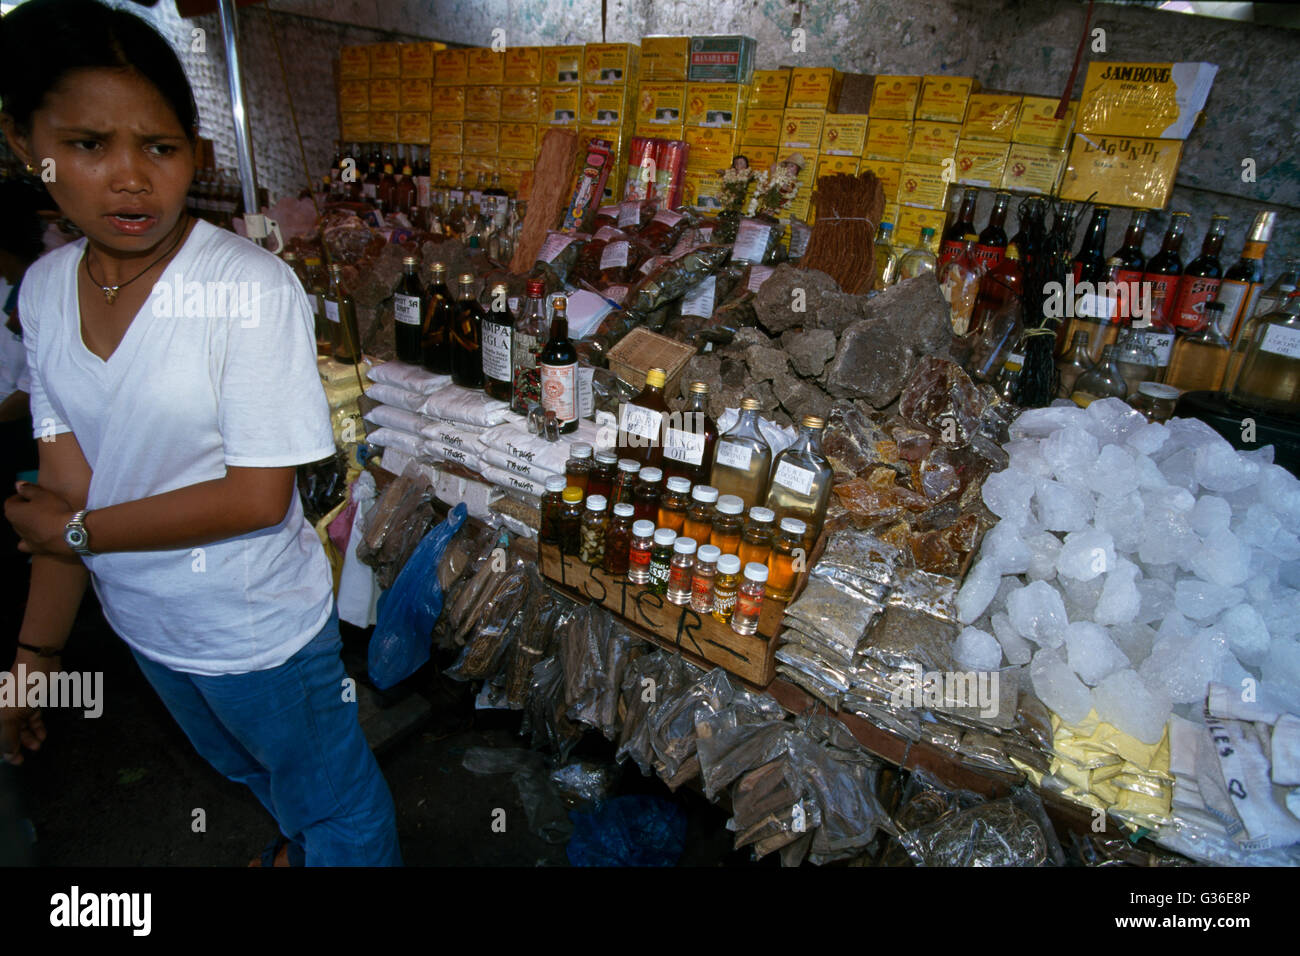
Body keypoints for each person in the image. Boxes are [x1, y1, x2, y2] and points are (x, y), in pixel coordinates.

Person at [0, 0, 400, 866]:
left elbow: (256, 500)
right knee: (249, 772)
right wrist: (32, 660)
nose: (131, 179)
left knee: (335, 800)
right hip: (146, 625)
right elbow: (65, 489)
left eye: (160, 147)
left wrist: (76, 532)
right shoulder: (40, 291)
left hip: (253, 632)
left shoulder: (247, 290)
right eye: (87, 145)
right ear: (24, 146)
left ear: (198, 156)